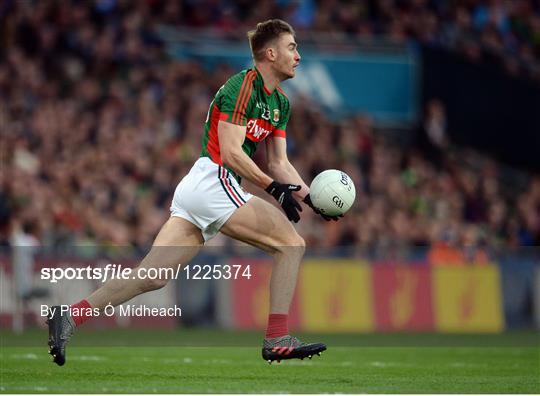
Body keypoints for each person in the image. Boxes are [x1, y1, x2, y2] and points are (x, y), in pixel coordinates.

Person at [47, 19, 341, 366]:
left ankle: (68, 316)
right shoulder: (242, 86)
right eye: (292, 48)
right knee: (291, 245)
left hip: (206, 187)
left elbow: (279, 163)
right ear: (270, 52)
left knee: (152, 276)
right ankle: (276, 337)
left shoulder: (281, 104)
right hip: (214, 179)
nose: (298, 56)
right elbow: (231, 152)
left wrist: (309, 197)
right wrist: (273, 190)